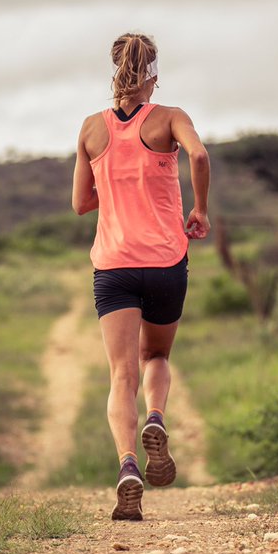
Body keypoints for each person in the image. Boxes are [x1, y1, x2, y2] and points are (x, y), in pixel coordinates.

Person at [71, 32, 211, 521]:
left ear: (114, 72)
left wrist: (115, 190)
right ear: (152, 74)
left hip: (113, 265)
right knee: (156, 354)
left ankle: (128, 465)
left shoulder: (91, 128)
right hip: (166, 260)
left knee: (120, 373)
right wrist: (200, 210)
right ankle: (156, 417)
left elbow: (80, 203)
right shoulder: (171, 119)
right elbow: (198, 156)